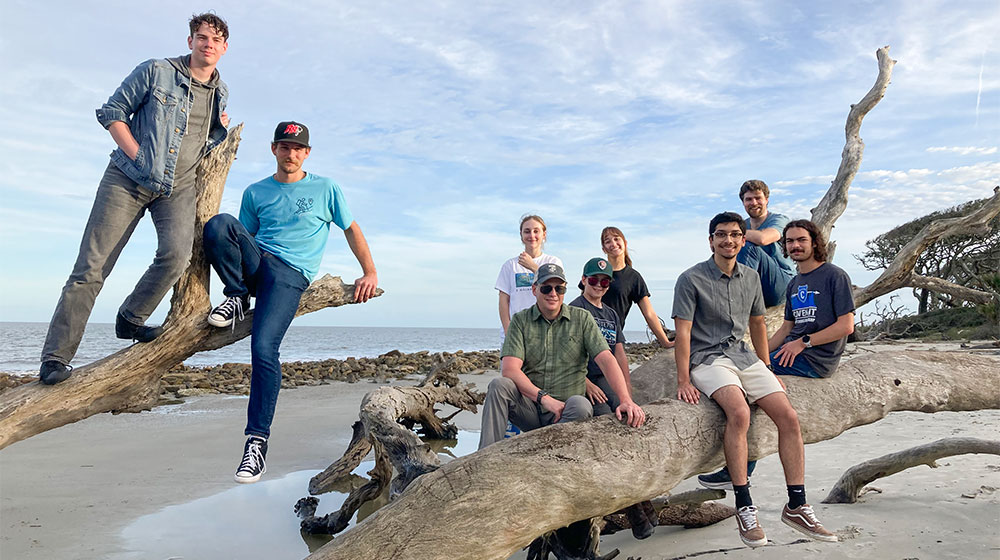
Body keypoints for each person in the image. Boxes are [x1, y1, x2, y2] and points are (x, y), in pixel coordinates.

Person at [38, 13, 231, 385]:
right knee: (91, 269)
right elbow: (113, 112)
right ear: (190, 40)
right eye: (203, 38)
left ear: (225, 48)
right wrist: (137, 154)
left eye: (216, 41)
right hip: (126, 179)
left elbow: (206, 137)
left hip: (178, 188)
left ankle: (131, 318)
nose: (209, 45)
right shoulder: (156, 71)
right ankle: (55, 358)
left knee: (177, 256)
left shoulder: (221, 92)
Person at [203, 121, 378, 483]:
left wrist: (369, 272)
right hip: (257, 263)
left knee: (263, 347)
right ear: (274, 149)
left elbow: (351, 228)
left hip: (289, 275)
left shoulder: (325, 188)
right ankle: (235, 297)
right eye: (285, 146)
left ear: (307, 153)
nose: (291, 153)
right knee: (219, 223)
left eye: (298, 148)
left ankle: (256, 443)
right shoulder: (256, 192)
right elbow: (240, 240)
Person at [672, 212, 837, 548]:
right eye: (721, 235)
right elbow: (683, 332)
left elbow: (759, 324)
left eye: (735, 235)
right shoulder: (690, 279)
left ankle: (796, 505)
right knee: (740, 413)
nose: (728, 240)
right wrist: (683, 379)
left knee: (789, 417)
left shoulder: (750, 277)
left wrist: (767, 367)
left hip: (745, 357)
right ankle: (745, 505)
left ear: (743, 240)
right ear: (710, 241)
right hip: (707, 359)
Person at [697, 219, 855, 490]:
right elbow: (786, 328)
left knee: (750, 389)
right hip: (792, 349)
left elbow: (846, 326)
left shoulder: (834, 276)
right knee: (745, 368)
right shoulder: (794, 283)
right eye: (790, 241)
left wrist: (804, 343)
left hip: (815, 357)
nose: (794, 246)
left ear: (815, 243)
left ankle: (738, 467)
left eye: (801, 240)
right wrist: (754, 353)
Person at [479, 263, 645, 450]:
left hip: (567, 413)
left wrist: (626, 400)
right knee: (499, 385)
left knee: (581, 404)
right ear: (534, 290)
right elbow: (510, 370)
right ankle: (485, 456)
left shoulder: (581, 318)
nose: (553, 293)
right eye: (546, 288)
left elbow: (606, 359)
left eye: (559, 288)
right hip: (531, 408)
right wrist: (545, 399)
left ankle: (547, 450)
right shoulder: (520, 320)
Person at [568, 257, 658, 539]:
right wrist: (584, 384)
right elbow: (565, 354)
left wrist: (626, 394)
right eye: (593, 280)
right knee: (608, 423)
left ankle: (643, 497)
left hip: (606, 377)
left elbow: (619, 354)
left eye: (604, 281)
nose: (598, 285)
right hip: (582, 378)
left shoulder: (610, 313)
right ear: (583, 280)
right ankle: (633, 508)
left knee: (628, 420)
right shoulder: (573, 309)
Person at [599, 227, 673, 348]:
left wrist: (665, 342)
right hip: (588, 334)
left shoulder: (633, 277)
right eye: (608, 241)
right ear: (604, 249)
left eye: (617, 239)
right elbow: (582, 303)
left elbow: (649, 313)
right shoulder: (597, 271)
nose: (613, 244)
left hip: (612, 338)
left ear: (625, 243)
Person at [495, 215, 562, 338]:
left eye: (536, 231)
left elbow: (558, 291)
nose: (532, 235)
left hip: (545, 330)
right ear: (521, 235)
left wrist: (533, 267)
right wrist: (507, 329)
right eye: (527, 231)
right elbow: (503, 300)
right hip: (516, 330)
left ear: (544, 234)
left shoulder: (553, 261)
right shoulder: (510, 265)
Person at [736, 180, 795, 307]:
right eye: (749, 199)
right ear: (743, 202)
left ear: (766, 200)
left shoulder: (779, 220)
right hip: (758, 287)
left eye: (758, 198)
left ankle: (737, 297)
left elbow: (763, 239)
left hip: (783, 283)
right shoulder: (742, 225)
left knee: (748, 246)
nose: (754, 203)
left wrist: (733, 232)